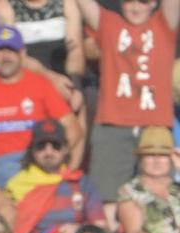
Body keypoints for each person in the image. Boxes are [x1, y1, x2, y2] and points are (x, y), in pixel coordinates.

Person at [73, 0, 178, 205]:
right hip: (113, 124)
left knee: (159, 198)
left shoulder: (164, 23)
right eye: (130, 1)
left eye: (143, 1)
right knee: (108, 198)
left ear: (154, 3)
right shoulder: (109, 23)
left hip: (154, 125)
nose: (136, 7)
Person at [0, 26, 76, 187]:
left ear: (22, 54)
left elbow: (72, 127)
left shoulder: (40, 84)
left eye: (11, 50)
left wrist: (57, 158)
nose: (6, 56)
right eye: (0, 51)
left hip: (37, 160)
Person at [117, 128, 180, 233]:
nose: (157, 161)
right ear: (140, 159)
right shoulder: (130, 191)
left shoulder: (177, 188)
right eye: (150, 155)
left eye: (163, 155)